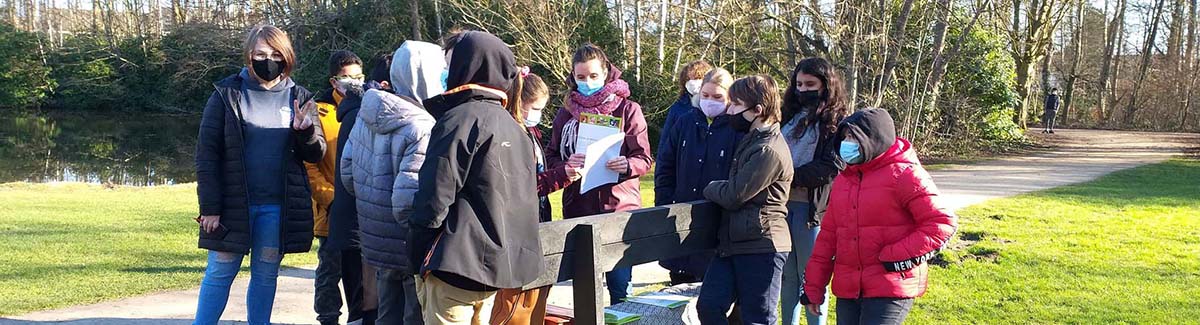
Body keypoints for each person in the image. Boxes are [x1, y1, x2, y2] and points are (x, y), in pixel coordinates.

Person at [408, 31, 543, 325]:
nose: (446, 72)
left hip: (455, 265)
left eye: (450, 63)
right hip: (495, 269)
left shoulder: (459, 119)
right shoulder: (515, 127)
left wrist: (417, 252)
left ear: (467, 66)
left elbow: (434, 197)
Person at [193, 24, 325, 325]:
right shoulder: (225, 94)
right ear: (249, 56)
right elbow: (207, 156)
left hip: (277, 208)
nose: (268, 60)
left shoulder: (300, 97)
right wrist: (210, 208)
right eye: (260, 54)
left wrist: (304, 133)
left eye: (275, 54)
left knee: (265, 275)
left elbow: (315, 153)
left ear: (287, 56)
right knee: (219, 272)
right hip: (232, 206)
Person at [801, 108, 958, 325]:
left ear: (873, 139)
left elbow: (941, 224)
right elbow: (828, 239)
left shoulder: (905, 174)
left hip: (890, 287)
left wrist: (896, 257)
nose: (848, 142)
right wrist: (814, 287)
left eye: (854, 137)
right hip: (849, 290)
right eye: (845, 137)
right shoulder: (843, 181)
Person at [341, 40, 445, 325]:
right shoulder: (422, 126)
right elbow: (406, 203)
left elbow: (348, 173)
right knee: (414, 314)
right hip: (407, 244)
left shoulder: (368, 113)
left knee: (386, 313)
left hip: (375, 238)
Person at [544, 43, 654, 304]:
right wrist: (565, 166)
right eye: (580, 77)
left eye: (593, 76)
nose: (587, 82)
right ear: (573, 77)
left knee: (620, 290)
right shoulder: (566, 113)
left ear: (606, 73)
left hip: (617, 208)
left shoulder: (628, 109)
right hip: (578, 207)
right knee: (584, 291)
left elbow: (644, 158)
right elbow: (550, 155)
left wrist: (626, 165)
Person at [697, 75, 793, 325]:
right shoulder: (752, 140)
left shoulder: (768, 150)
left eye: (736, 105)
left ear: (757, 110)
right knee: (708, 305)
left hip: (762, 245)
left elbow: (734, 195)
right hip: (733, 242)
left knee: (757, 319)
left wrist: (710, 187)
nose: (729, 110)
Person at [778, 57, 851, 325]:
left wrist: (789, 177)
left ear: (825, 85)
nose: (803, 89)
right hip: (781, 205)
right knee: (788, 276)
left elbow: (833, 164)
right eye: (798, 84)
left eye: (810, 84)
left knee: (812, 278)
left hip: (813, 209)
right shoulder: (788, 115)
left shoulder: (837, 121)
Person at [654, 67, 740, 285]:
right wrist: (664, 203)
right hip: (680, 216)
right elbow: (665, 164)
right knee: (679, 287)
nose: (710, 101)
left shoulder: (736, 129)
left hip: (717, 221)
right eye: (706, 95)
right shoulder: (685, 121)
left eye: (718, 97)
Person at [489, 67, 559, 325]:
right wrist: (560, 176)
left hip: (539, 219)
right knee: (514, 304)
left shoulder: (531, 132)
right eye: (534, 108)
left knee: (537, 298)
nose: (537, 115)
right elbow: (521, 186)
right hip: (516, 229)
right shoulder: (509, 134)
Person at [307, 49, 366, 325]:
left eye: (358, 77)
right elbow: (309, 164)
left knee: (360, 271)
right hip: (330, 207)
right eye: (346, 78)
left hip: (361, 208)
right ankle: (328, 317)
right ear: (334, 81)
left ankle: (360, 316)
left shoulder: (370, 107)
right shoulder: (318, 112)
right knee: (330, 268)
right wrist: (329, 198)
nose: (353, 83)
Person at [656, 60, 712, 152]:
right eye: (689, 79)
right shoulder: (677, 108)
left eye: (698, 78)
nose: (693, 82)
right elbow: (665, 141)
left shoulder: (717, 107)